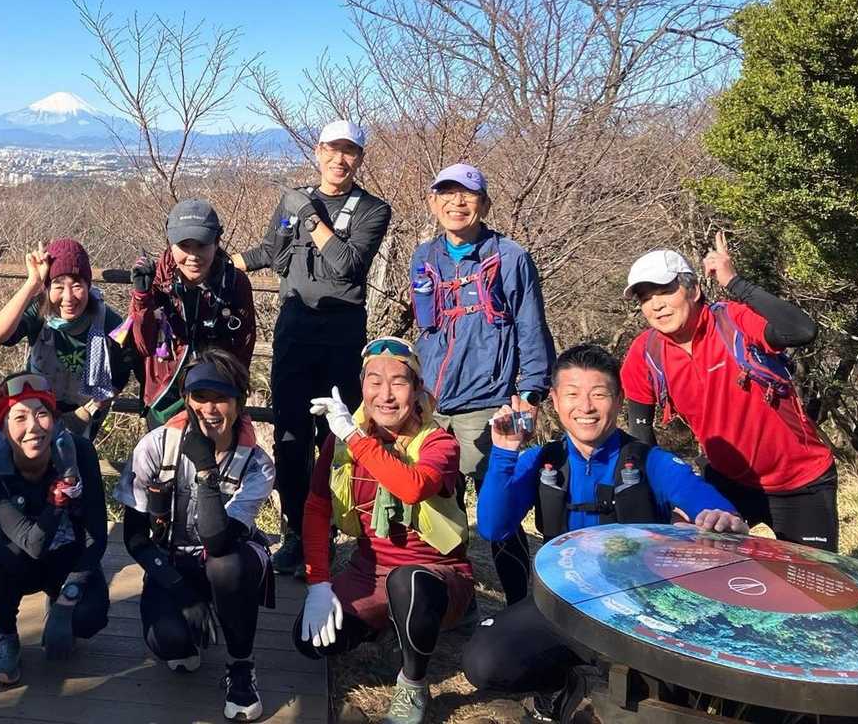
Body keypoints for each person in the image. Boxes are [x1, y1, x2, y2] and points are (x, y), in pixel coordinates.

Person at [464, 343, 747, 724]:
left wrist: (722, 519)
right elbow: (493, 526)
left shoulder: (650, 462)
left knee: (663, 696)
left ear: (618, 400)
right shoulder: (543, 461)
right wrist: (504, 452)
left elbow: (711, 506)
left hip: (640, 614)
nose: (586, 407)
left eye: (599, 394)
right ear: (555, 400)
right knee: (483, 662)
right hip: (562, 605)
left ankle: (598, 690)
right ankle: (565, 689)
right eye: (572, 394)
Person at [229, 119, 393, 579]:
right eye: (332, 149)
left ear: (359, 158)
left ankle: (330, 533)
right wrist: (216, 265)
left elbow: (346, 265)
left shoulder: (372, 210)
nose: (340, 159)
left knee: (335, 438)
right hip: (294, 331)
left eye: (350, 151)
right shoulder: (293, 200)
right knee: (290, 436)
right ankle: (295, 533)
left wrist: (309, 216)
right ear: (318, 151)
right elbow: (270, 250)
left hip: (341, 335)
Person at [295, 338, 474, 724]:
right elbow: (317, 507)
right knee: (309, 640)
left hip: (434, 573)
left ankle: (413, 682)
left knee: (408, 583)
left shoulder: (438, 442)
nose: (386, 395)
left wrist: (354, 437)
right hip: (369, 571)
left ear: (418, 388)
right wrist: (319, 584)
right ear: (362, 386)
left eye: (399, 382)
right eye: (374, 382)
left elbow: (412, 486)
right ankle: (386, 627)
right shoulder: (343, 439)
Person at [619, 234, 835, 550]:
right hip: (726, 481)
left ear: (694, 289)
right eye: (645, 298)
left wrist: (735, 282)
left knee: (811, 579)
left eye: (665, 291)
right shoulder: (645, 353)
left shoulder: (733, 321)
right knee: (701, 566)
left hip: (800, 480)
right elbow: (642, 438)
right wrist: (662, 496)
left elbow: (802, 330)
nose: (656, 304)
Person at [409, 162, 554, 605]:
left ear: (485, 204)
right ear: (432, 203)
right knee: (439, 506)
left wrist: (531, 392)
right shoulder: (424, 256)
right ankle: (453, 601)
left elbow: (531, 325)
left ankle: (520, 606)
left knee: (497, 510)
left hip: (487, 401)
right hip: (431, 403)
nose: (457, 202)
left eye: (467, 194)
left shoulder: (509, 257)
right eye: (446, 193)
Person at [116, 349, 276, 722]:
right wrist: (180, 591)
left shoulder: (257, 464)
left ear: (239, 402)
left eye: (221, 397)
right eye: (200, 397)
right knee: (169, 643)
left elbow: (218, 541)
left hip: (232, 558)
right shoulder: (156, 445)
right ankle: (193, 618)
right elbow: (135, 538)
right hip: (173, 559)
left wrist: (205, 470)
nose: (209, 408)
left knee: (224, 565)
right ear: (186, 399)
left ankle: (241, 665)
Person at [0, 372, 111, 686]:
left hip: (66, 551)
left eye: (42, 414)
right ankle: (5, 636)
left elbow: (97, 535)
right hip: (16, 558)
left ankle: (58, 596)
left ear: (55, 419)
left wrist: (67, 601)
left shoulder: (78, 453)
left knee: (88, 617)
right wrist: (58, 500)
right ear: (2, 426)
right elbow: (30, 543)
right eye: (19, 417)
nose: (33, 427)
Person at [0, 237, 143, 439]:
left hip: (86, 409)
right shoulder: (40, 310)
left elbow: (120, 374)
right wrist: (33, 282)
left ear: (88, 286)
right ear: (48, 288)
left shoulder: (107, 322)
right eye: (59, 286)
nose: (68, 297)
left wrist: (88, 411)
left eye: (77, 285)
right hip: (37, 404)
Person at [128, 199, 256, 427]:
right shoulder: (156, 280)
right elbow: (143, 346)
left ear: (217, 242)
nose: (193, 256)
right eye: (184, 246)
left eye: (202, 245)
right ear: (170, 243)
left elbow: (244, 347)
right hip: (165, 395)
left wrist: (236, 397)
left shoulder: (234, 283)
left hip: (216, 395)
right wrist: (142, 297)